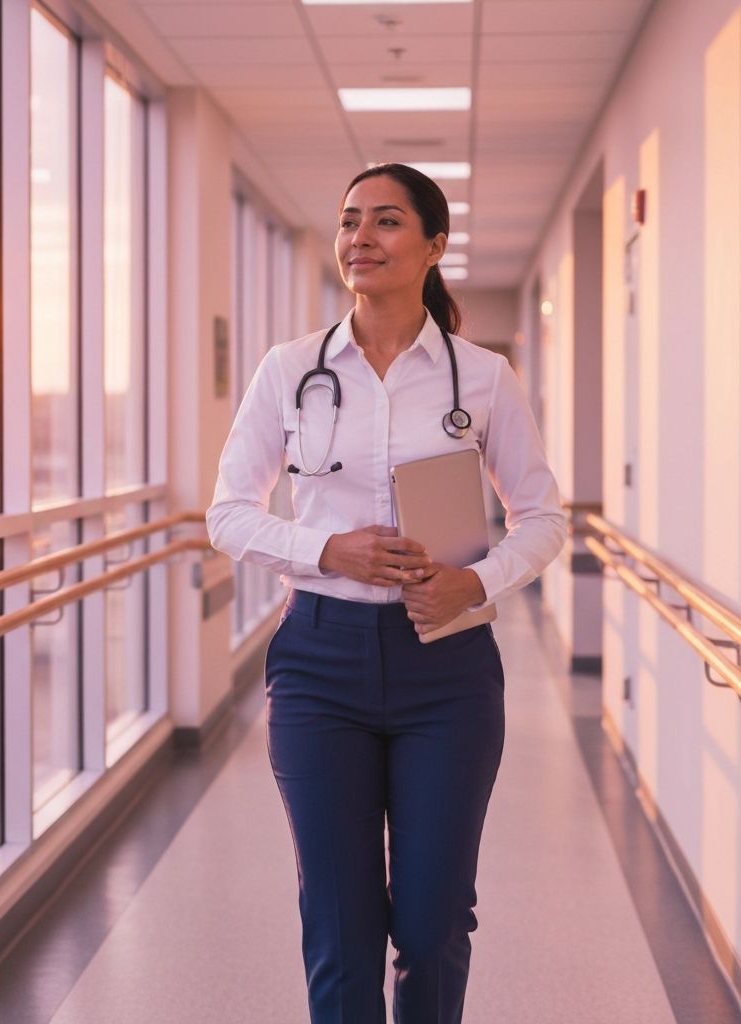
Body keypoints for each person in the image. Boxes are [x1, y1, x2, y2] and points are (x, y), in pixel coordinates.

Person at [206, 163, 567, 1024]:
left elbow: (543, 518)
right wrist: (328, 548)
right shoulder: (290, 370)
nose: (360, 237)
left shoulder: (481, 378)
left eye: (387, 222)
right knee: (338, 925)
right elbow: (227, 514)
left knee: (435, 919)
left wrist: (472, 583)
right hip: (319, 664)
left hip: (447, 668)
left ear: (435, 248)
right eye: (349, 221)